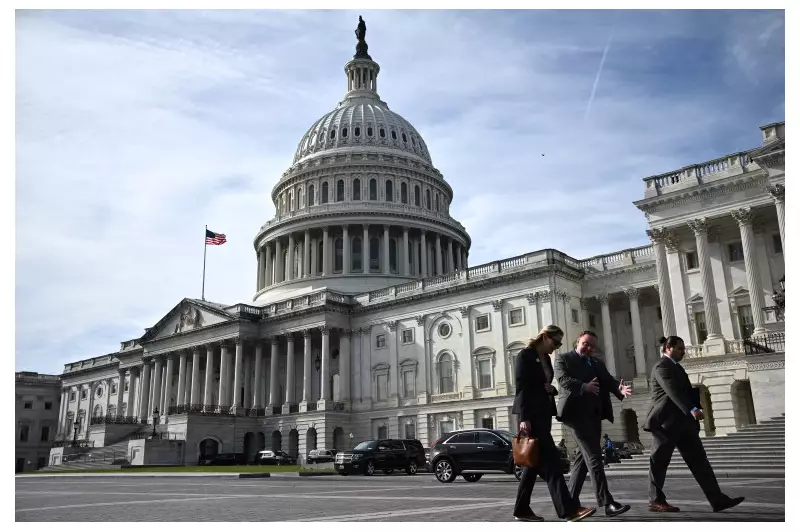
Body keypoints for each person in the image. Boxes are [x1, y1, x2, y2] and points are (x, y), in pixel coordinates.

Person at [644, 336, 745, 513]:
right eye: (680, 348)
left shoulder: (677, 367)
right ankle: (656, 500)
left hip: (683, 424)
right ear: (669, 347)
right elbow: (672, 391)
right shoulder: (662, 367)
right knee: (659, 462)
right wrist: (691, 409)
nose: (684, 351)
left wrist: (695, 408)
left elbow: (686, 392)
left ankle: (717, 499)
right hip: (665, 423)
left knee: (700, 461)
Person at [512, 324, 596, 522]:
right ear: (545, 337)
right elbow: (522, 387)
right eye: (555, 342)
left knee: (531, 466)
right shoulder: (525, 356)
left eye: (559, 343)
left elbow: (545, 385)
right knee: (552, 465)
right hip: (531, 416)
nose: (556, 346)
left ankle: (521, 509)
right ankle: (568, 510)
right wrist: (524, 418)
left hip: (544, 414)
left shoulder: (547, 359)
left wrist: (552, 390)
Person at [554, 330, 632, 517]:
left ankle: (569, 503)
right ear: (577, 342)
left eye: (592, 346)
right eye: (585, 344)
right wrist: (583, 387)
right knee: (595, 458)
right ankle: (607, 503)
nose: (589, 348)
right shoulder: (563, 359)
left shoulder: (597, 362)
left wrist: (619, 389)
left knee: (582, 460)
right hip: (575, 416)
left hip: (594, 415)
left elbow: (608, 381)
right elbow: (563, 380)